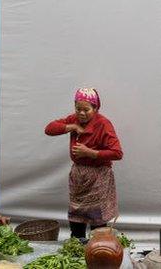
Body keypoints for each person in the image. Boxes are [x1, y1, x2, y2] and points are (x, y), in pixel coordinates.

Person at [45, 87, 123, 239]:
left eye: (86, 110)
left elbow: (117, 153)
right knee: (76, 215)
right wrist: (71, 127)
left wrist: (90, 153)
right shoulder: (74, 119)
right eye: (78, 109)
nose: (81, 113)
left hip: (98, 177)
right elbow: (49, 129)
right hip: (79, 178)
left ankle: (98, 248)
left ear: (95, 108)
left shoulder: (103, 124)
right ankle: (77, 244)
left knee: (97, 220)